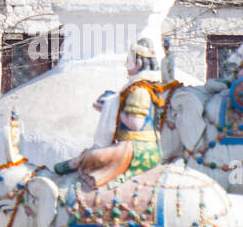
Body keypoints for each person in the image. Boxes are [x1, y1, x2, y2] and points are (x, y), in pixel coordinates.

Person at [55, 39, 176, 188]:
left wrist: (111, 109)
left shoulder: (140, 91)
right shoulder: (138, 87)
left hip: (137, 149)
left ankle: (75, 163)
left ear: (138, 63)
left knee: (93, 156)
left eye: (129, 61)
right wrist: (109, 108)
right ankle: (76, 162)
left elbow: (136, 124)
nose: (126, 65)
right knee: (94, 153)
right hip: (133, 145)